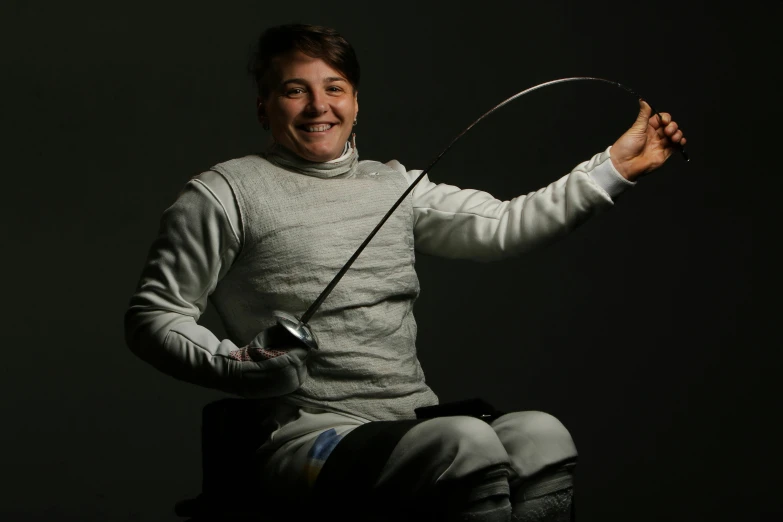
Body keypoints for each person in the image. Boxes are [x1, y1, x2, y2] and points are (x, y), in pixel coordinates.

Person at [124, 23, 686, 522]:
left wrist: (615, 167)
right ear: (264, 107)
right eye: (296, 89)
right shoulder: (225, 193)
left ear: (356, 103)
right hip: (308, 438)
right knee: (465, 443)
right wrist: (240, 364)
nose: (318, 105)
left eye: (334, 88)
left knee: (542, 435)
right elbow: (153, 317)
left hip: (410, 424)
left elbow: (504, 225)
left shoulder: (393, 185)